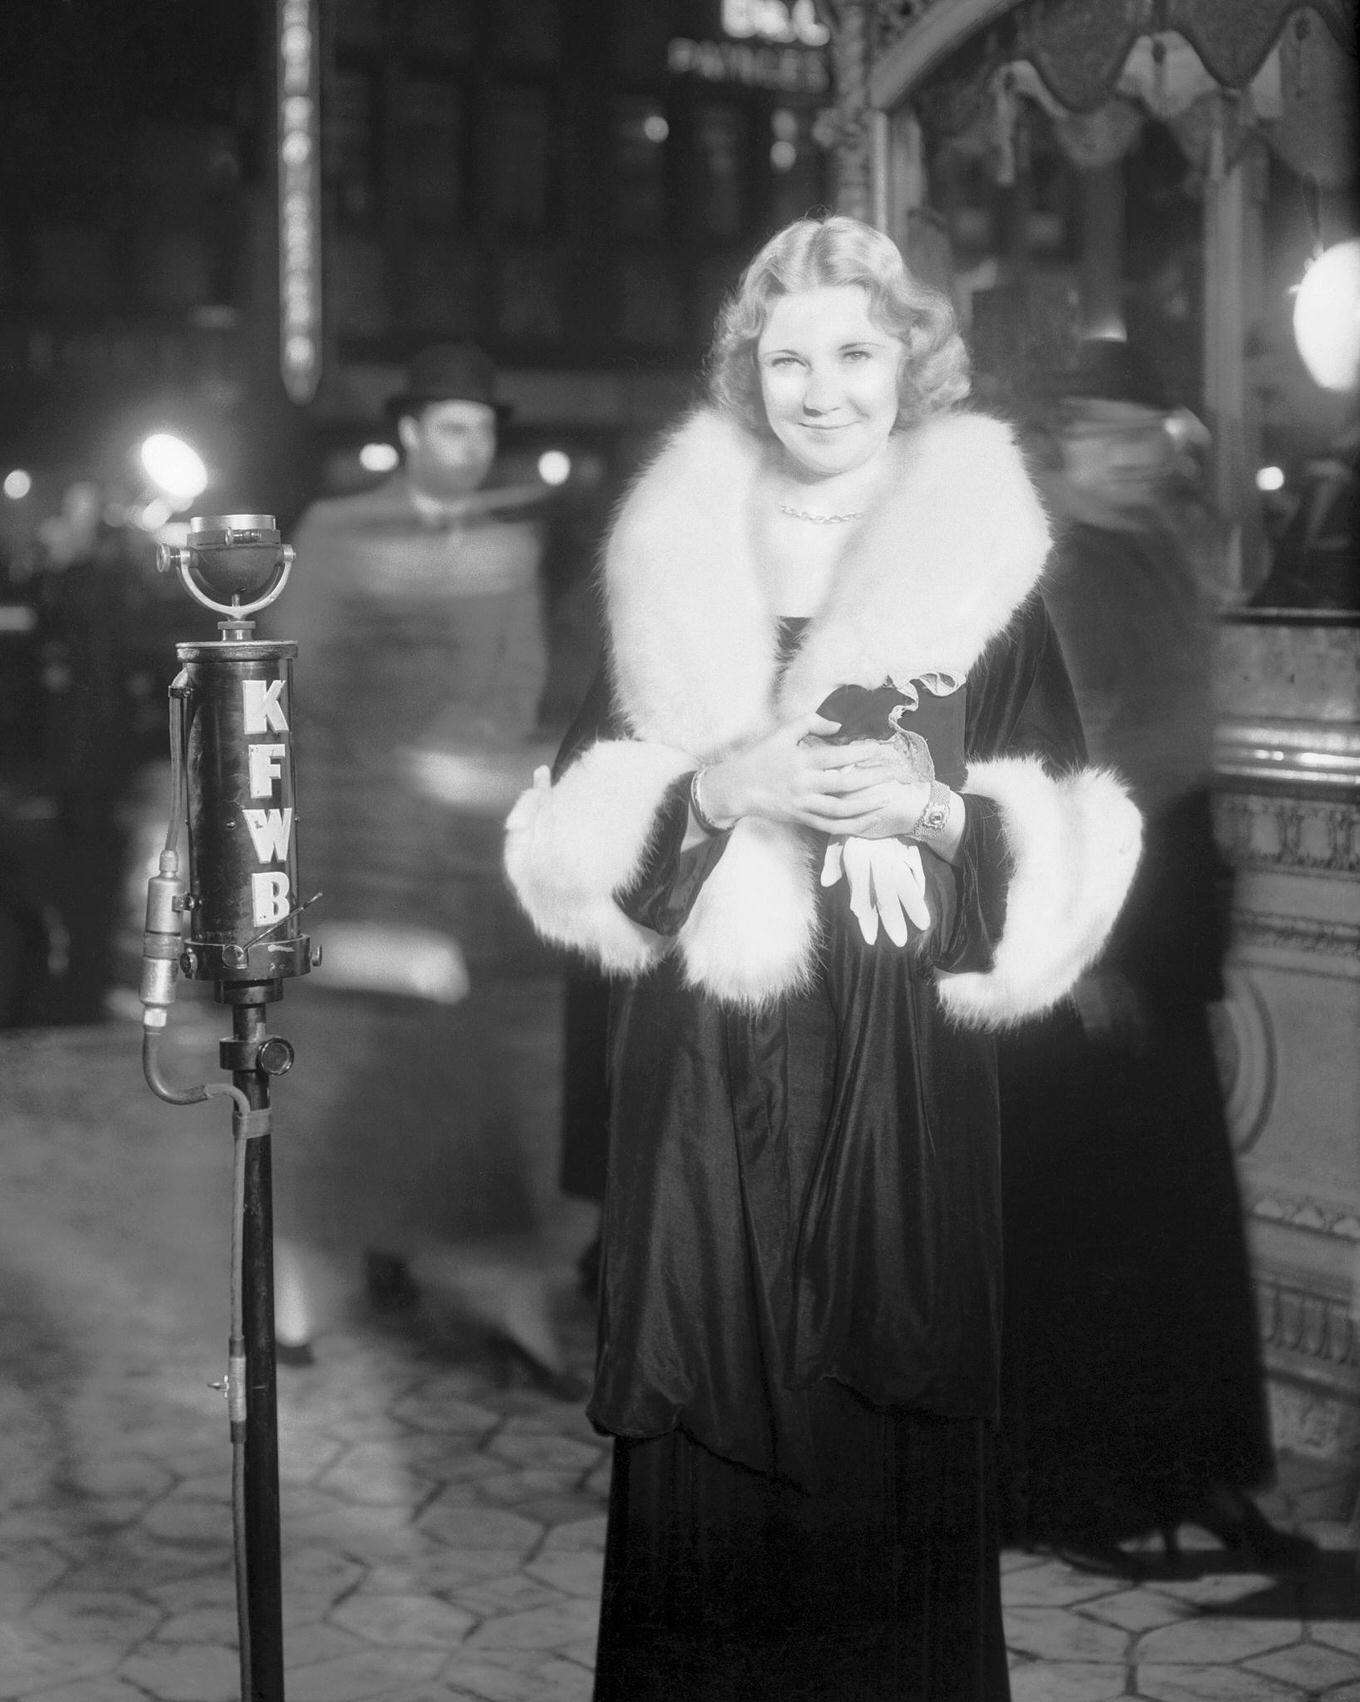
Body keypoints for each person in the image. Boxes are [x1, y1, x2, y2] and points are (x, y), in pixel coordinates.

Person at [504, 217, 1142, 1701]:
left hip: (899, 1076)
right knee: (708, 1455)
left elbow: (1072, 866)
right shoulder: (668, 559)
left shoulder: (987, 576)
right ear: (750, 373)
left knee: (884, 1440)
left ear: (911, 364)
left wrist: (931, 809)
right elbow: (566, 851)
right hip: (707, 1086)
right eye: (787, 356)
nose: (821, 387)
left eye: (854, 351)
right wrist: (724, 790)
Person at [996, 337, 1317, 1572]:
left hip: (1168, 918)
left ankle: (1202, 1473)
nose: (1137, 455)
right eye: (1111, 434)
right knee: (1082, 1228)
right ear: (1068, 441)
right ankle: (1074, 1490)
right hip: (1079, 932)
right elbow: (1021, 777)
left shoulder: (1159, 550)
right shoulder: (1035, 571)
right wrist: (1068, 950)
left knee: (1180, 1221)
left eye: (1149, 433)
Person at [266, 342, 580, 1392]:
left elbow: (522, 672)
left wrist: (487, 760)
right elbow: (297, 671)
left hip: (455, 855)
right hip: (357, 838)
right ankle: (303, 1293)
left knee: (460, 1075)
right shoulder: (340, 529)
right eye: (450, 428)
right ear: (406, 435)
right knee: (338, 1065)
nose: (469, 445)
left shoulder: (503, 545)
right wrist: (394, 763)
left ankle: (495, 1296)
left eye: (482, 430)